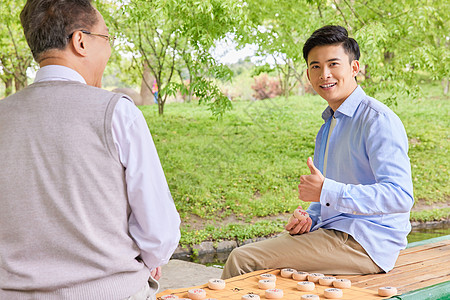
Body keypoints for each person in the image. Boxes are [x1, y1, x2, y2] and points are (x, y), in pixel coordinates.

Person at [0, 0, 180, 299]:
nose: (109, 50)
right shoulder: (117, 113)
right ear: (80, 41)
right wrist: (149, 262)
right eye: (106, 38)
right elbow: (159, 233)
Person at [222, 25, 414, 279]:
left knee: (243, 259)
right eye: (316, 66)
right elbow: (328, 198)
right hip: (335, 231)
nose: (325, 74)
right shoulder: (328, 126)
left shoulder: (377, 121)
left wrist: (326, 190)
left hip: (366, 242)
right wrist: (309, 217)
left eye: (334, 64)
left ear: (354, 68)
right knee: (262, 269)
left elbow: (400, 196)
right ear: (308, 73)